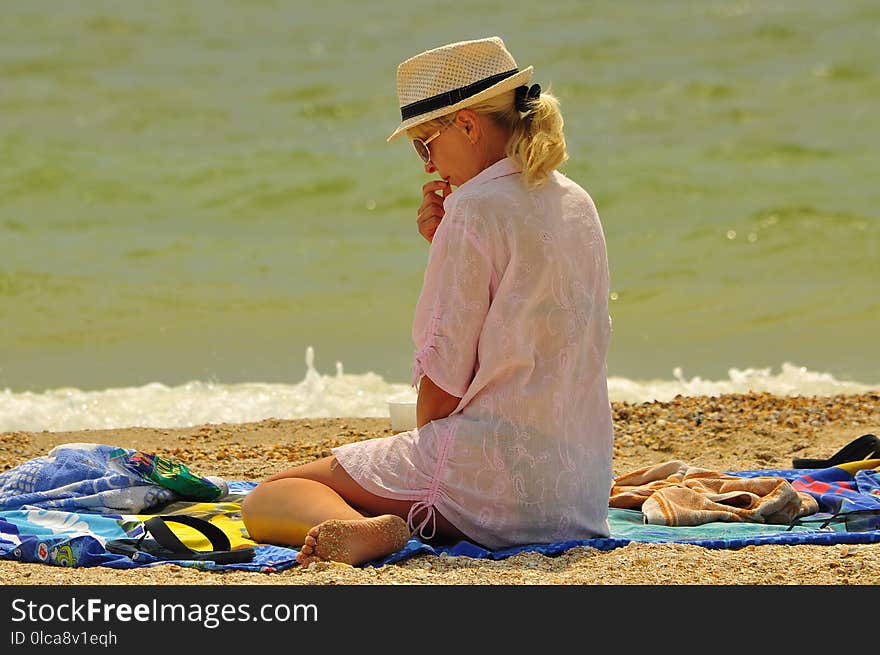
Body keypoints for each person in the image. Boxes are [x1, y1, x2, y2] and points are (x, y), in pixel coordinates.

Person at [241, 36, 614, 567]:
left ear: (466, 124)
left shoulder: (475, 207)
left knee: (272, 496)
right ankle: (379, 521)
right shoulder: (577, 200)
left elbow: (443, 378)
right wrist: (446, 248)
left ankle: (369, 530)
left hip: (494, 487)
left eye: (426, 142)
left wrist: (423, 442)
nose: (426, 164)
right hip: (578, 489)